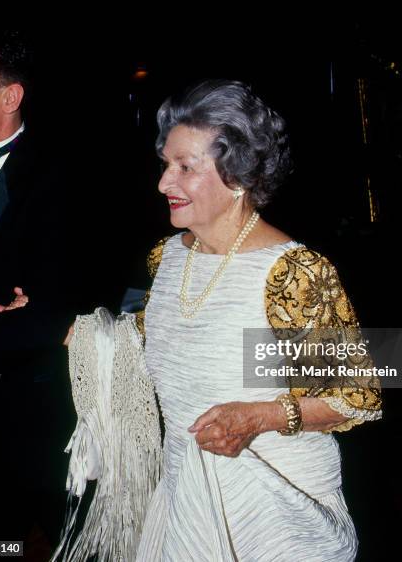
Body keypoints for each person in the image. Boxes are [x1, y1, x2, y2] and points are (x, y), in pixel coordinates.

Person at [131, 79, 382, 560]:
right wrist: (44, 323)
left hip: (275, 508)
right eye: (166, 165)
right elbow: (152, 340)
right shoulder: (166, 258)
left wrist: (258, 416)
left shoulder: (291, 272)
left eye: (185, 167)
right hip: (185, 494)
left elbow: (355, 395)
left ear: (239, 176)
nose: (164, 182)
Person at [0, 23, 120, 543]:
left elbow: (60, 308)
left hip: (31, 420)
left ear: (11, 96)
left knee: (64, 545)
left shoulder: (70, 176)